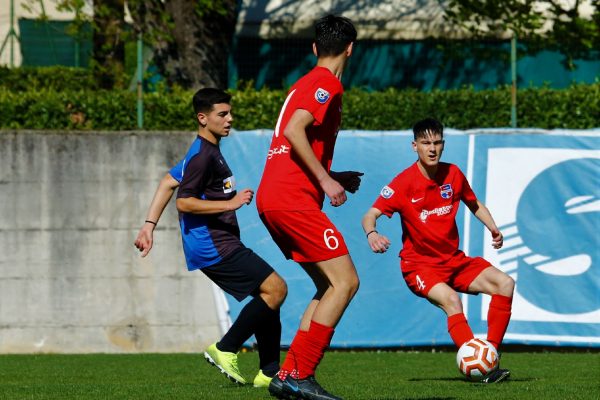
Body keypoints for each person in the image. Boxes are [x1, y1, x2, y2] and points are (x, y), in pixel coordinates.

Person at [134, 88, 287, 388]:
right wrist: (229, 204)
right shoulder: (203, 156)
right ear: (203, 118)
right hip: (212, 244)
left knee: (268, 296)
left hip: (219, 242)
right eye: (222, 114)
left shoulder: (203, 151)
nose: (230, 119)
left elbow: (168, 182)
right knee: (276, 289)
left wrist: (148, 225)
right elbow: (184, 201)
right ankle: (226, 347)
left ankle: (269, 374)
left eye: (230, 113)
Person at [256, 14, 362, 400]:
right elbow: (293, 130)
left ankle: (289, 374)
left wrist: (335, 172)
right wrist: (326, 181)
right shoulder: (325, 82)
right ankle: (300, 375)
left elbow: (294, 142)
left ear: (315, 47)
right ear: (350, 49)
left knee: (326, 285)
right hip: (291, 200)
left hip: (277, 197)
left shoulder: (306, 80)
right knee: (346, 281)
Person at [361, 117, 515, 384]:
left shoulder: (453, 173)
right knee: (452, 301)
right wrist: (372, 233)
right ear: (414, 146)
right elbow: (369, 215)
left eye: (437, 142)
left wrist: (493, 228)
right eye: (425, 143)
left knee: (505, 283)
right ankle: (481, 368)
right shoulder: (403, 184)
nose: (432, 148)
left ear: (443, 144)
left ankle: (489, 356)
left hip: (453, 261)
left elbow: (473, 202)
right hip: (418, 266)